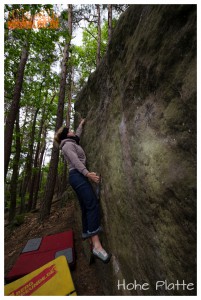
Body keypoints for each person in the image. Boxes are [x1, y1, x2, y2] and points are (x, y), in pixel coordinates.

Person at [54, 119, 111, 264]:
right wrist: (87, 174)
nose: (73, 131)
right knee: (92, 204)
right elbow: (75, 161)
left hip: (78, 177)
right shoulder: (67, 146)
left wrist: (81, 125)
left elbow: (76, 134)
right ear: (67, 135)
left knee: (86, 206)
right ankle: (97, 246)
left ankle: (87, 231)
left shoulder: (71, 142)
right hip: (77, 176)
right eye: (71, 130)